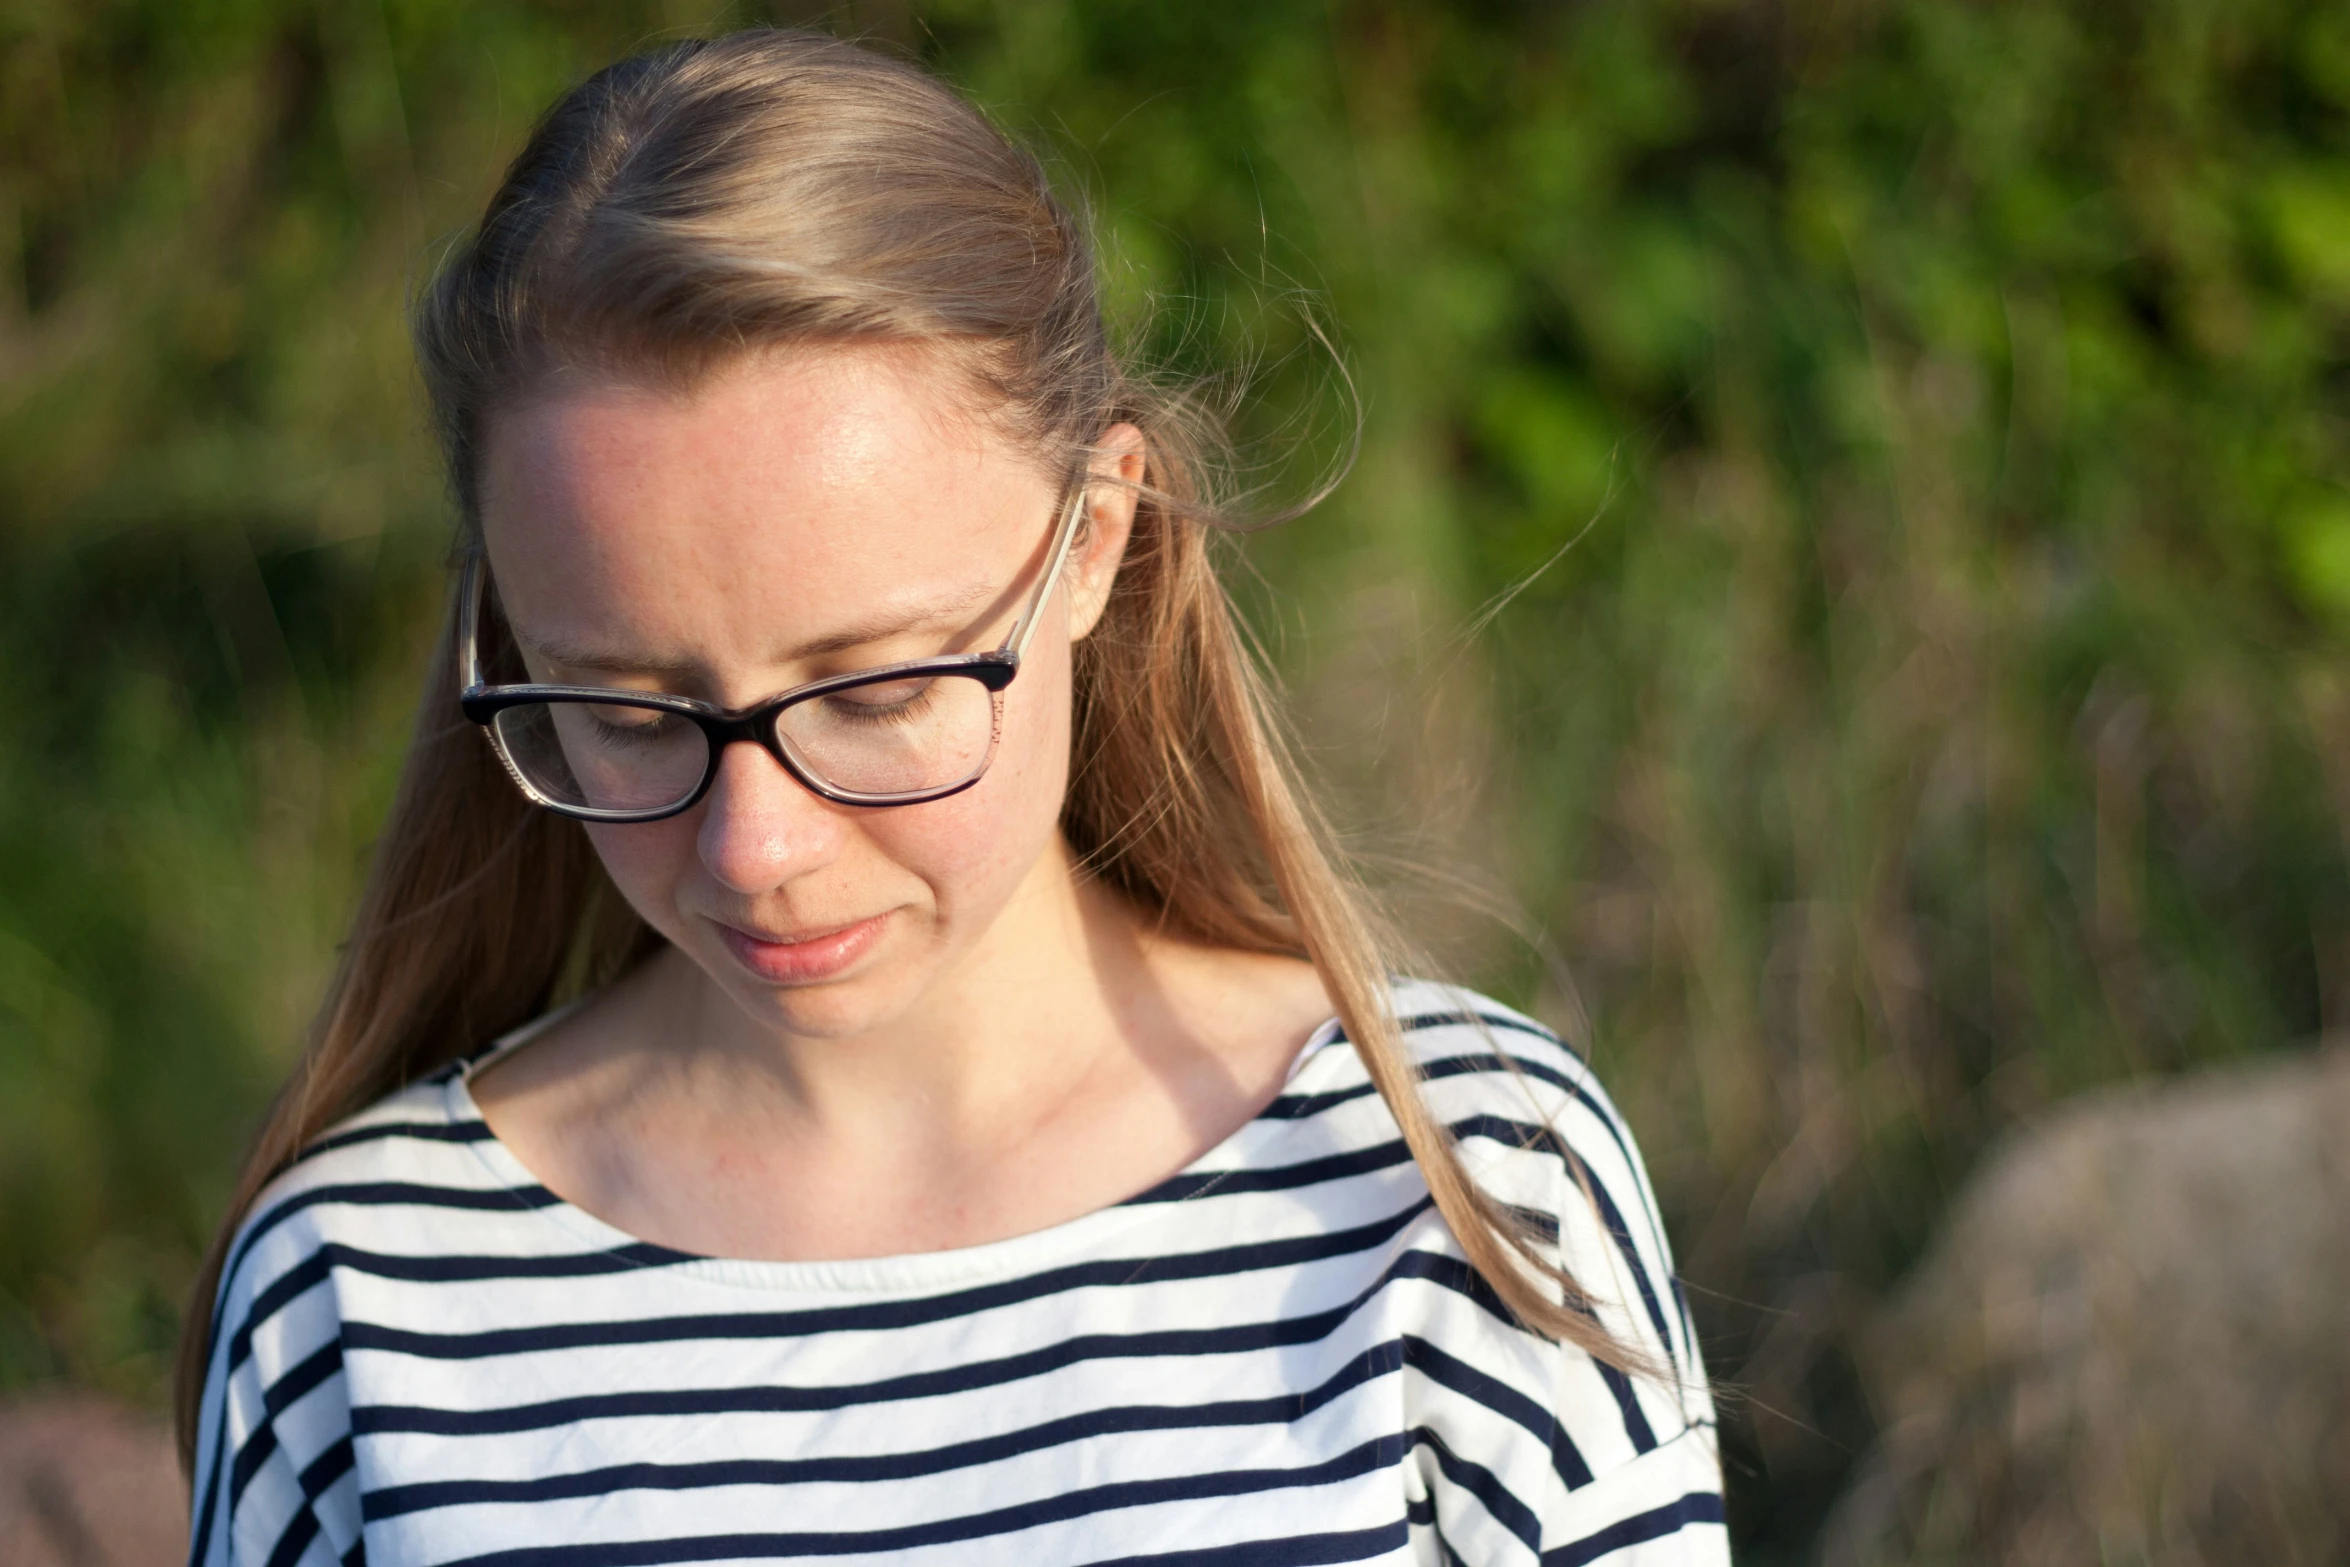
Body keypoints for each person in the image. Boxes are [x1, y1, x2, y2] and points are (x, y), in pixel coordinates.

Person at [179, 28, 1724, 1567]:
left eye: (878, 690)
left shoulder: (1451, 1185)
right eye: (626, 713)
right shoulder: (359, 1303)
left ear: (1097, 536)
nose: (755, 847)